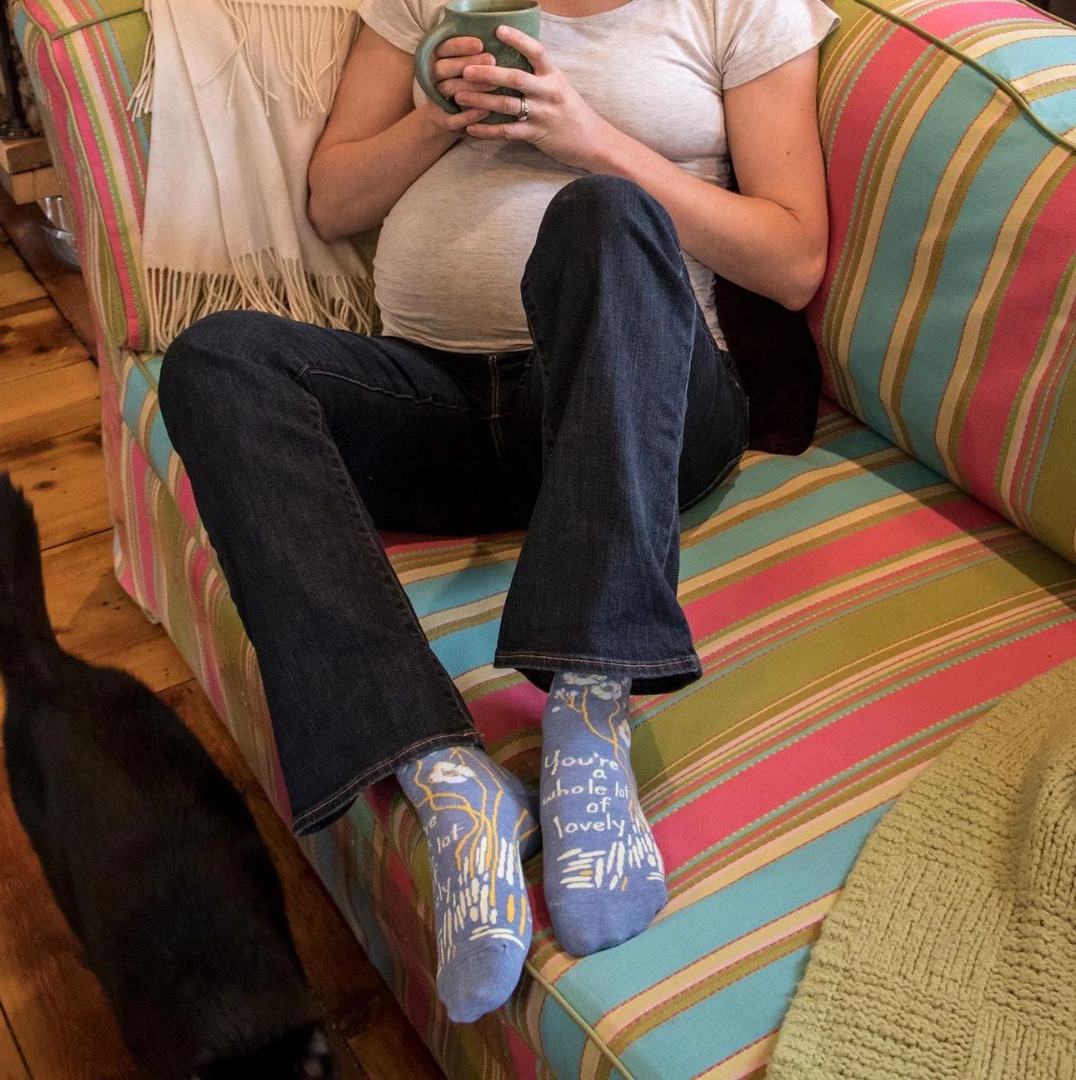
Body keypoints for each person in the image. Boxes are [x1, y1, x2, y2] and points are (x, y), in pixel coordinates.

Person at [158, 0, 838, 1024]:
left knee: (604, 214)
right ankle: (447, 776)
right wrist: (435, 120)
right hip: (437, 398)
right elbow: (333, 199)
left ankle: (589, 711)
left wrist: (592, 140)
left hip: (635, 401)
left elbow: (792, 261)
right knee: (217, 362)